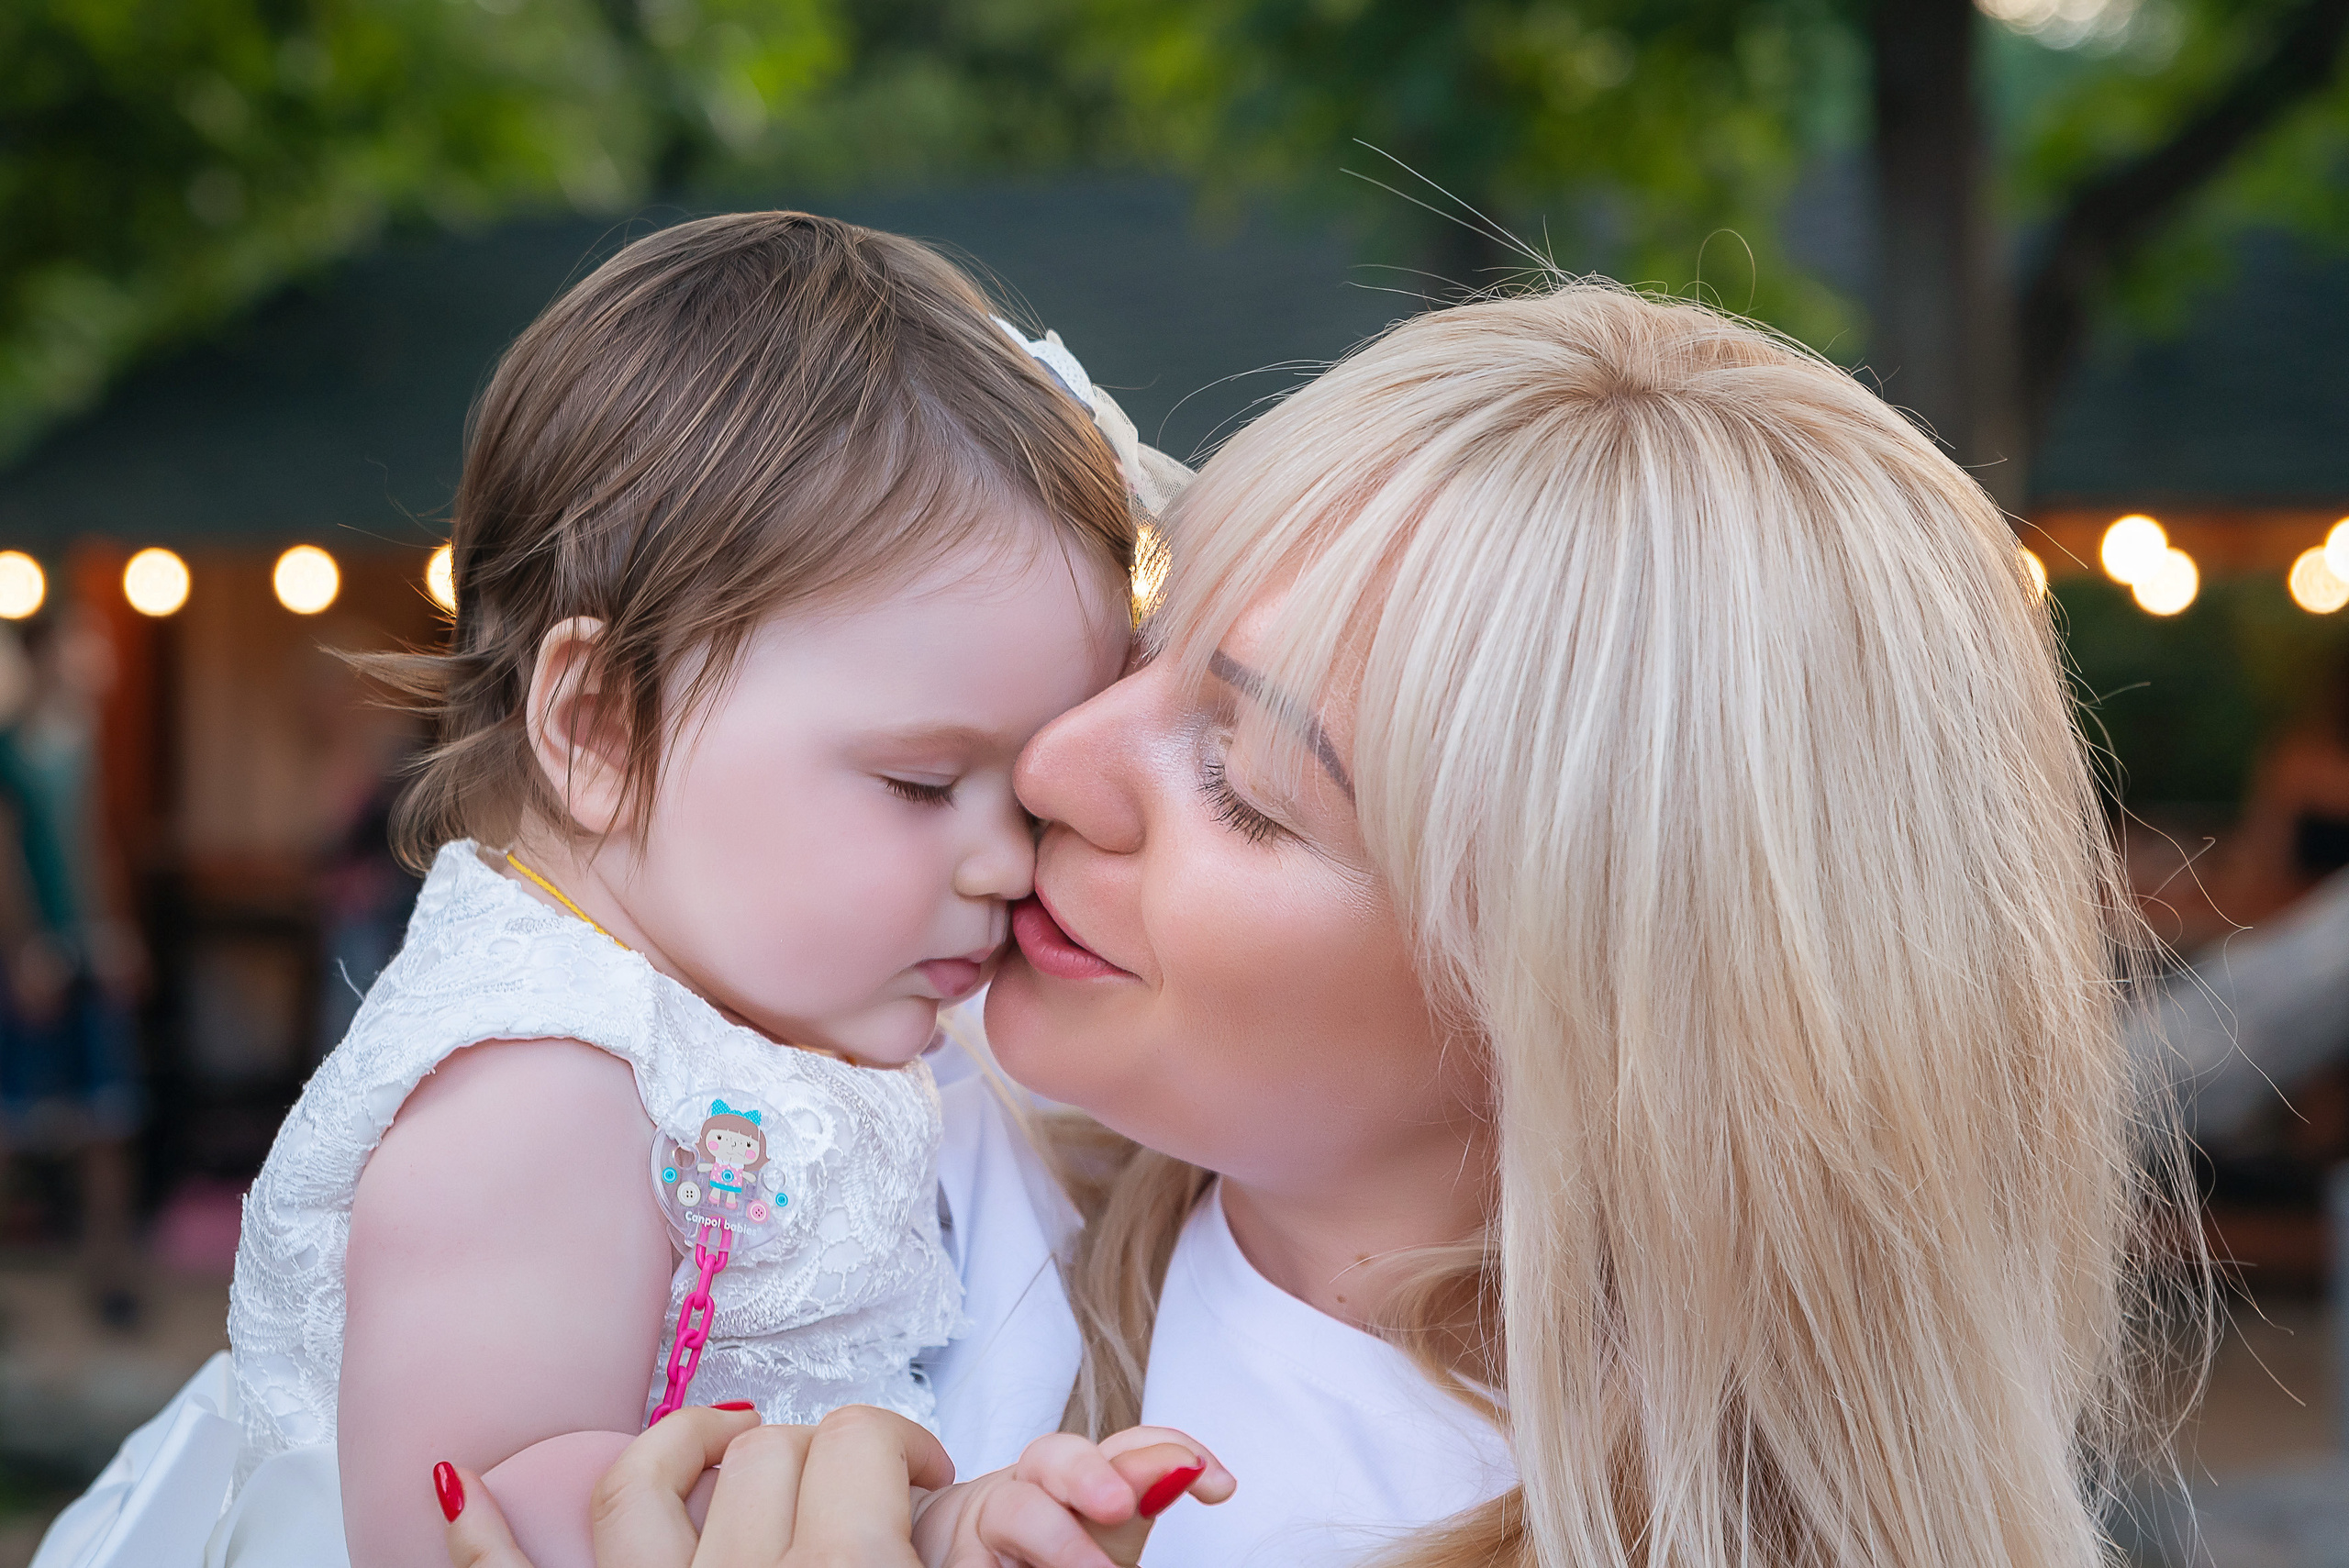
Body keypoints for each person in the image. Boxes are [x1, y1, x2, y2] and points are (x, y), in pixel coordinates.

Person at [453, 279, 2207, 1568]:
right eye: (1148, 650)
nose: (1054, 765)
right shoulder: (872, 1094)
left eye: (1249, 781)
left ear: (1589, 1018)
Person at [30, 212, 1219, 1568]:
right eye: (919, 783)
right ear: (599, 727)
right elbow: (469, 1513)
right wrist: (919, 1531)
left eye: (1031, 795)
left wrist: (952, 1519)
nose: (1006, 861)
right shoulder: (546, 1089)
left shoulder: (754, 1016)